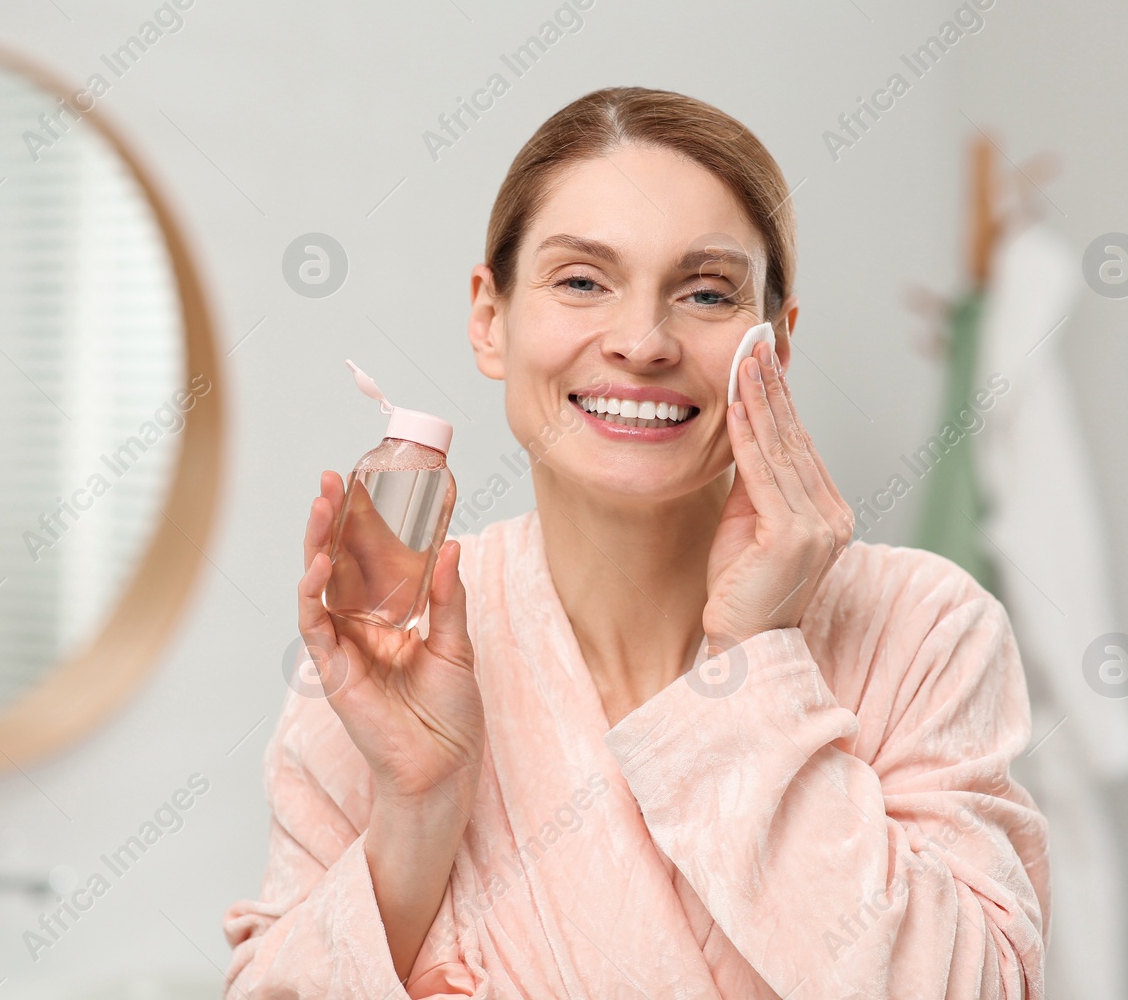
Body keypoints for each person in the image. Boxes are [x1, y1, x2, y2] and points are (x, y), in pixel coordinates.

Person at [223, 86, 1050, 999]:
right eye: (582, 280)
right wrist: (416, 811)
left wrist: (757, 669)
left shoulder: (924, 631)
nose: (644, 341)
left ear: (777, 339)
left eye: (706, 292)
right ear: (489, 317)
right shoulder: (386, 656)